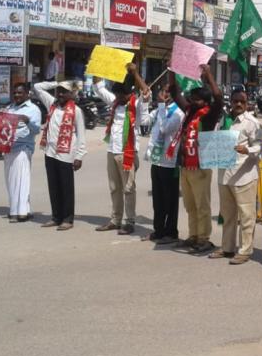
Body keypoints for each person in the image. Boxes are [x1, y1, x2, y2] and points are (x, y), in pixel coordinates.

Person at [168, 64, 224, 253]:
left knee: (202, 205)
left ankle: (204, 238)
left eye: (196, 99)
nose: (191, 101)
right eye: (191, 99)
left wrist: (209, 74)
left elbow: (218, 98)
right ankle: (193, 235)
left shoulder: (208, 116)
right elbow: (175, 93)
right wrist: (172, 70)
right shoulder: (189, 113)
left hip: (200, 167)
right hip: (185, 166)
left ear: (204, 102)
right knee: (190, 205)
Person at [93, 64, 150, 235]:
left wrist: (135, 73)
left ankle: (130, 221)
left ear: (129, 94)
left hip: (128, 153)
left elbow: (147, 92)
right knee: (114, 187)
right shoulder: (115, 102)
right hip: (112, 151)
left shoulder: (137, 105)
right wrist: (99, 65)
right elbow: (99, 88)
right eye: (116, 94)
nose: (118, 97)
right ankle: (115, 220)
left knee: (128, 189)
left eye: (121, 94)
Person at [210, 91, 262, 264]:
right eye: (236, 101)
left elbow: (259, 147)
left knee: (247, 215)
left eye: (242, 101)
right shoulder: (223, 121)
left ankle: (245, 250)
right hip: (225, 175)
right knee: (227, 215)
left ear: (247, 103)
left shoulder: (252, 123)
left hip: (244, 176)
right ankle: (227, 248)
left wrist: (247, 150)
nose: (239, 104)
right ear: (231, 102)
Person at [33, 80, 87, 231]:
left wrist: (79, 156)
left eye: (64, 91)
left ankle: (68, 219)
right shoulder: (52, 104)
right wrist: (57, 83)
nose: (61, 94)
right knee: (53, 186)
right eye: (59, 91)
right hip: (50, 152)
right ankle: (56, 217)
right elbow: (37, 87)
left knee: (66, 187)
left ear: (71, 94)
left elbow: (81, 135)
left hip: (66, 154)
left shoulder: (76, 110)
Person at [144, 87, 185, 244]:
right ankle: (158, 230)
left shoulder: (178, 112)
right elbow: (144, 121)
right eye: (163, 92)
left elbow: (164, 129)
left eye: (169, 92)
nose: (165, 95)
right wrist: (144, 100)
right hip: (156, 158)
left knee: (170, 200)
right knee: (158, 199)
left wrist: (161, 106)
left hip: (170, 161)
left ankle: (171, 232)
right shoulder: (161, 109)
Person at [3, 83, 42, 222]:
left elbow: (36, 130)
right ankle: (25, 209)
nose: (17, 95)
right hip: (8, 148)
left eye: (20, 93)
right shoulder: (10, 108)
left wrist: (27, 121)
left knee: (20, 180)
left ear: (27, 94)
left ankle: (17, 212)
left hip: (23, 148)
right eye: (15, 93)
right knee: (10, 181)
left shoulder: (33, 109)